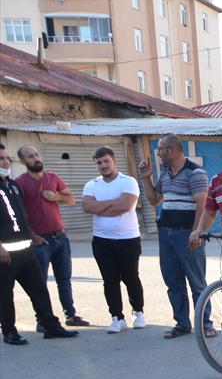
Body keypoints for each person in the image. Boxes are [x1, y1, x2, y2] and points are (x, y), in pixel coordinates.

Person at [0, 144, 78, 343]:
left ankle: (51, 326)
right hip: (5, 254)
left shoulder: (12, 186)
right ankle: (9, 331)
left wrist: (32, 236)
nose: (6, 162)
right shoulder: (19, 183)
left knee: (39, 289)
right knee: (5, 295)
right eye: (1, 159)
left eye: (7, 158)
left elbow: (21, 215)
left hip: (26, 250)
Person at [138, 134, 209, 339]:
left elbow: (202, 205)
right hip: (166, 233)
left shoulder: (195, 173)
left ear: (172, 150)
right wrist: (146, 178)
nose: (158, 153)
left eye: (160, 149)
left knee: (196, 281)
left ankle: (205, 324)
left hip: (186, 232)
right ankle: (182, 323)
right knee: (173, 282)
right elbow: (154, 200)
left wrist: (196, 233)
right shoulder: (165, 174)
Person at [15, 146, 88, 327]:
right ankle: (43, 320)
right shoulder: (20, 182)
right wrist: (33, 237)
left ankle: (70, 316)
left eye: (37, 154)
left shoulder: (53, 177)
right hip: (40, 241)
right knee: (39, 284)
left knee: (64, 280)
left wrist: (57, 197)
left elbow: (70, 199)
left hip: (60, 237)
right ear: (23, 162)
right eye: (30, 157)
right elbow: (18, 214)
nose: (36, 159)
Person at [82, 147, 145, 334]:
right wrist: (113, 202)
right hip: (102, 241)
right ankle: (117, 318)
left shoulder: (128, 181)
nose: (103, 165)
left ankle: (138, 313)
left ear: (115, 162)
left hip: (128, 239)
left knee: (130, 277)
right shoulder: (92, 185)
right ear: (95, 164)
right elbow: (87, 207)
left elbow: (125, 206)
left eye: (106, 161)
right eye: (99, 162)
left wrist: (100, 207)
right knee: (110, 280)